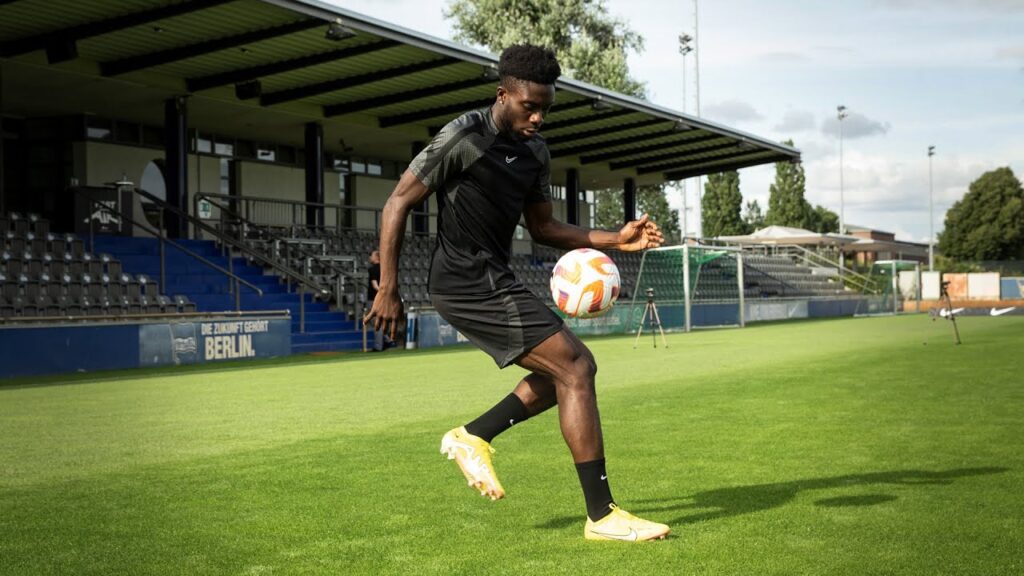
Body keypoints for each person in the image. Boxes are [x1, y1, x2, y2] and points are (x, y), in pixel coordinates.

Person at [365, 44, 669, 541]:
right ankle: (602, 516)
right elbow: (397, 202)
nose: (538, 116)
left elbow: (544, 228)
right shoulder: (465, 135)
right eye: (529, 105)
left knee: (562, 375)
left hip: (495, 277)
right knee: (577, 367)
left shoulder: (536, 152)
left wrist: (617, 238)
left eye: (546, 107)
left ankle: (473, 436)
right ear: (502, 95)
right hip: (463, 280)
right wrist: (388, 289)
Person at [366, 250, 386, 351]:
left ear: (376, 257)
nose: (370, 257)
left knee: (375, 322)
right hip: (382, 300)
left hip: (374, 299)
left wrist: (380, 293)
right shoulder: (384, 269)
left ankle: (379, 345)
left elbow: (375, 285)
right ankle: (386, 340)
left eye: (371, 255)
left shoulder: (372, 269)